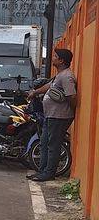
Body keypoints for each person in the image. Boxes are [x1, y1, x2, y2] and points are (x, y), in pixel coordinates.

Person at [26, 49, 77, 182]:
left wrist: (71, 111)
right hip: (51, 115)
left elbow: (71, 96)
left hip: (59, 117)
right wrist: (35, 92)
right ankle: (42, 171)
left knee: (53, 145)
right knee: (44, 143)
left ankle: (49, 173)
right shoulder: (59, 75)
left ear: (61, 61)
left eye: (55, 56)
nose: (52, 58)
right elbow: (49, 86)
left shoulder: (67, 77)